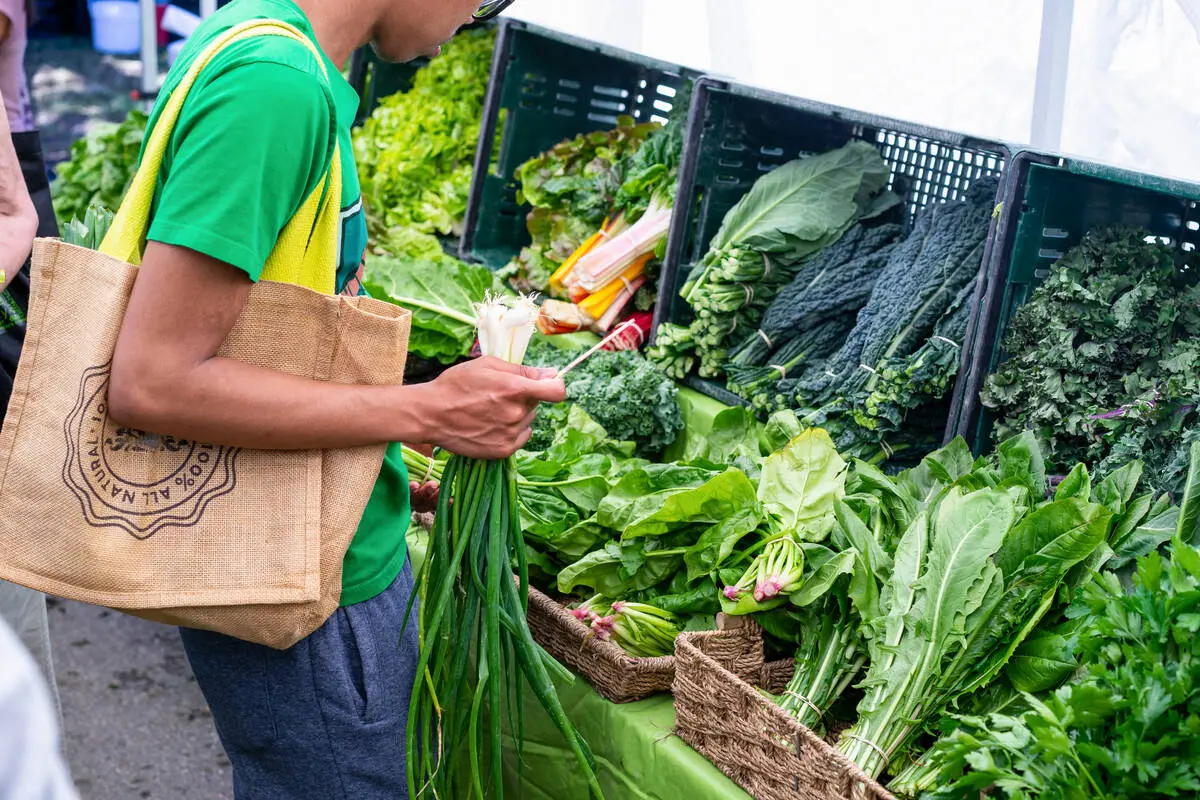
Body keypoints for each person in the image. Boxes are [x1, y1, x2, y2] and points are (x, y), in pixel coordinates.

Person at [105, 0, 547, 797]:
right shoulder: (276, 88)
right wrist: (426, 411)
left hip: (311, 553)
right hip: (308, 595)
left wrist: (369, 459)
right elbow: (153, 380)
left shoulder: (267, 41)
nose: (477, 17)